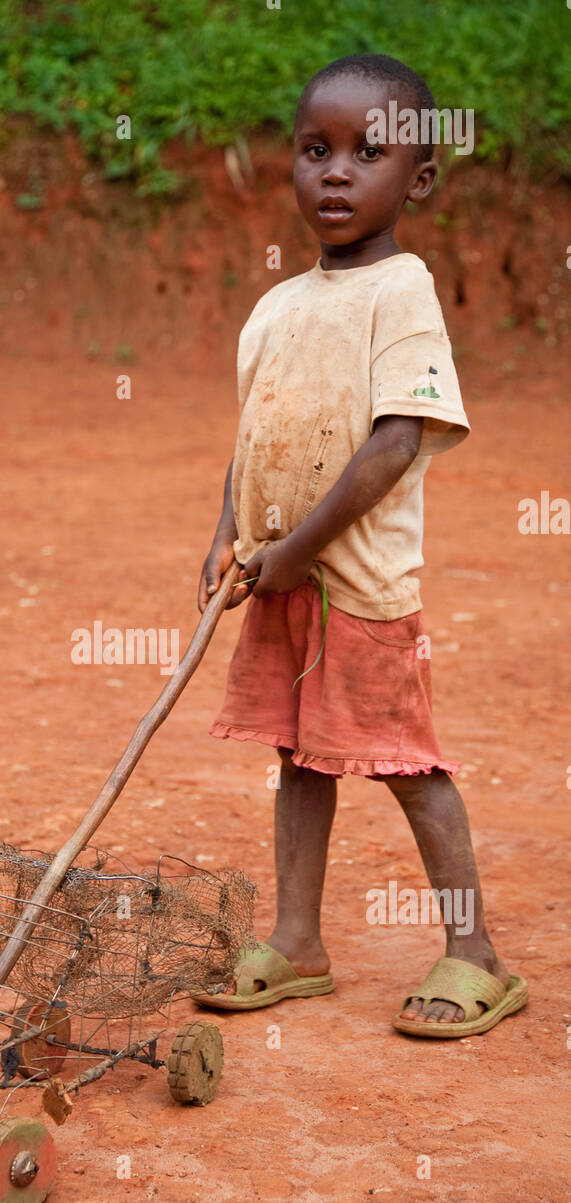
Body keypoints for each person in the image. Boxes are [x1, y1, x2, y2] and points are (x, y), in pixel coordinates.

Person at [194, 54, 527, 1037]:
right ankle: (298, 942)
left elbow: (396, 441)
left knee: (404, 763)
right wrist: (228, 536)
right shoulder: (275, 309)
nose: (335, 172)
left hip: (361, 589)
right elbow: (252, 440)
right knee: (298, 756)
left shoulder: (403, 291)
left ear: (417, 181)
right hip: (283, 581)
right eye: (315, 150)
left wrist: (298, 547)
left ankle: (476, 954)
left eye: (366, 153)